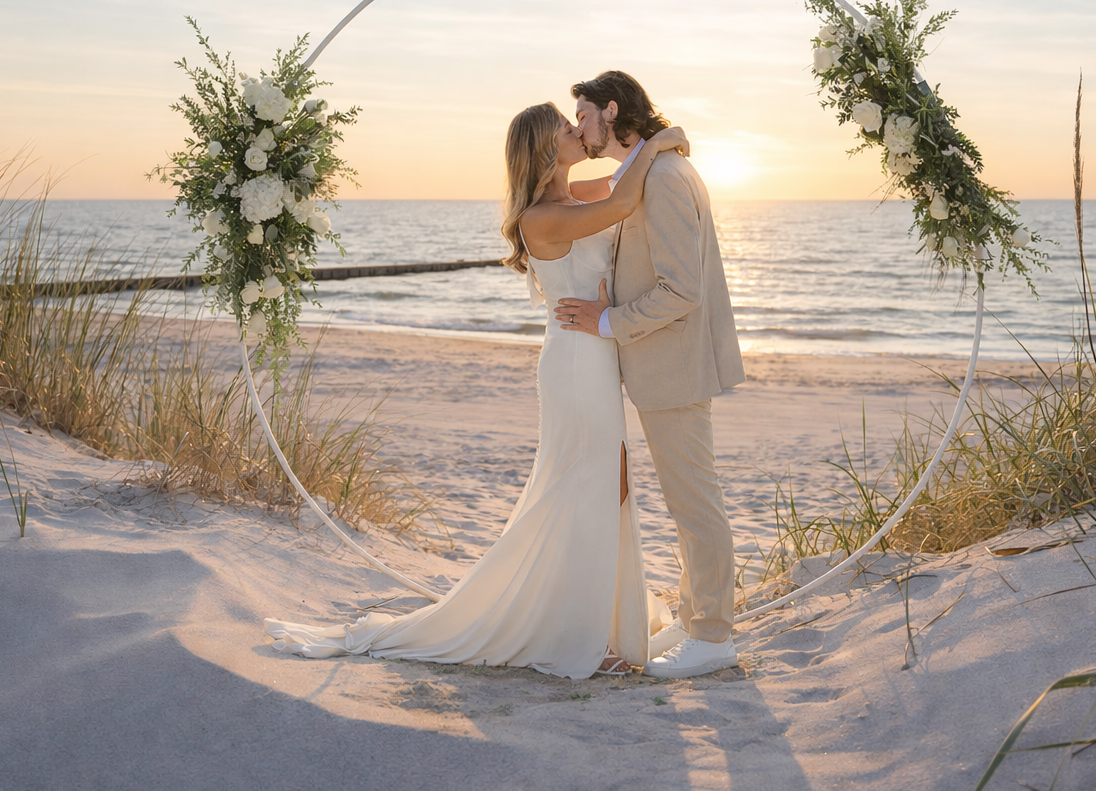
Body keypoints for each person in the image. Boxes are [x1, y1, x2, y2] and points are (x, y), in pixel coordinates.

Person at [265, 103, 686, 678]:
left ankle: (605, 624)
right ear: (543, 149)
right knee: (588, 488)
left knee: (608, 487)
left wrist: (650, 146)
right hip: (575, 365)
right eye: (566, 128)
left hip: (594, 357)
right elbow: (622, 201)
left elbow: (618, 182)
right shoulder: (541, 216)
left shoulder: (573, 194)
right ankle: (586, 637)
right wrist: (666, 141)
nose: (576, 133)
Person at [555, 71, 745, 678]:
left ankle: (714, 637)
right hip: (665, 368)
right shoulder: (650, 168)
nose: (577, 126)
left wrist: (608, 319)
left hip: (674, 367)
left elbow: (681, 290)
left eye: (581, 113)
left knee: (696, 503)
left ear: (611, 111)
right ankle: (694, 621)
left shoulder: (662, 177)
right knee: (687, 500)